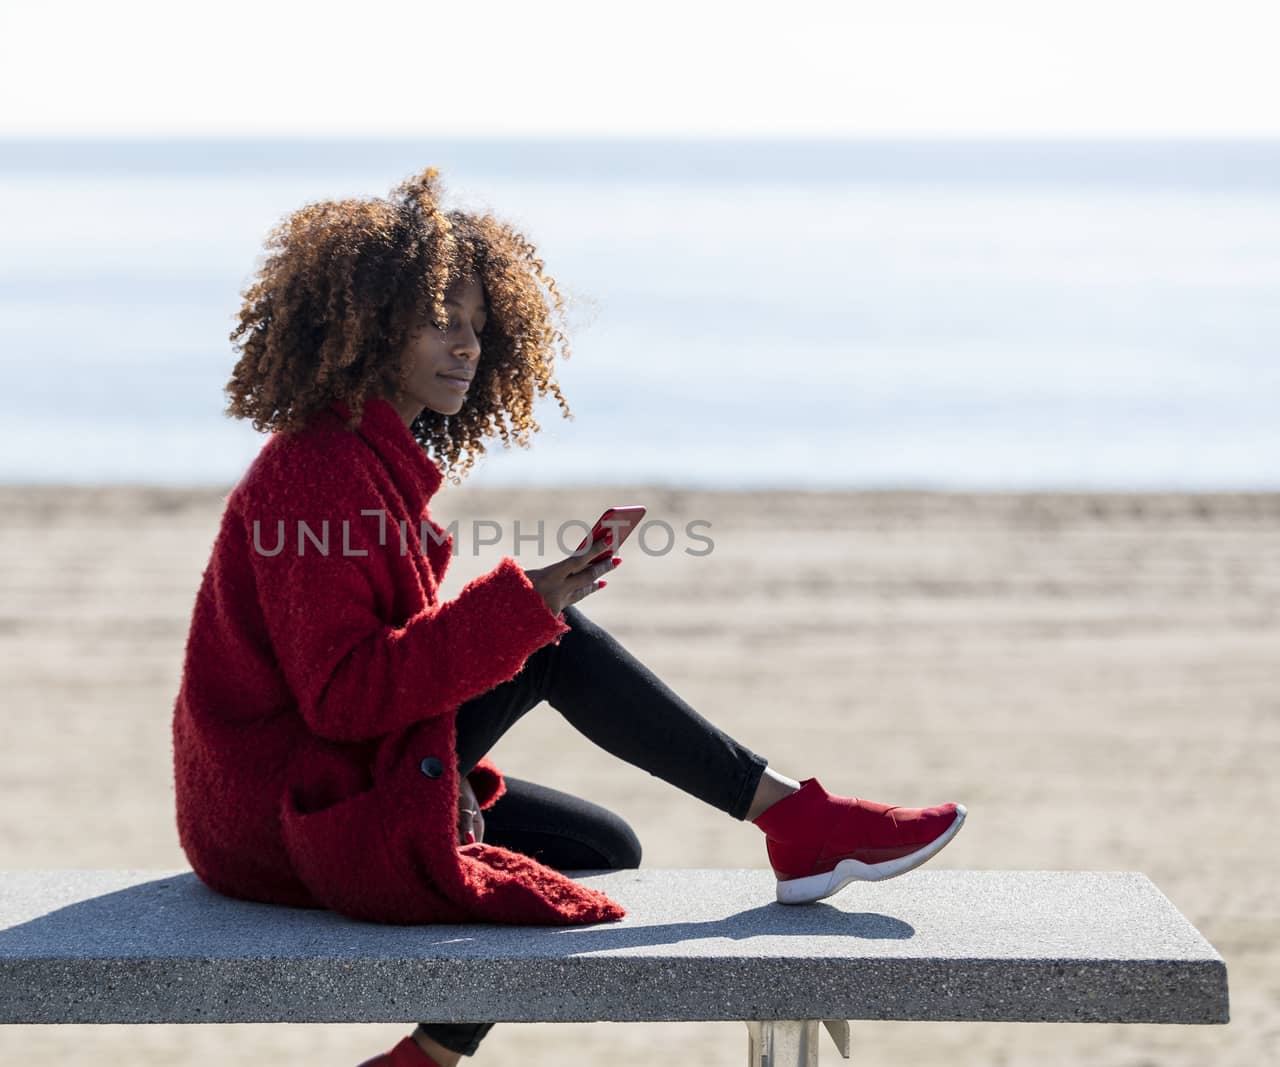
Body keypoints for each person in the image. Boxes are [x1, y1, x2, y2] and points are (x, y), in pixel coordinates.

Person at [170, 167, 967, 1067]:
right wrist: (528, 607)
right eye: (442, 322)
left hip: (313, 778)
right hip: (276, 812)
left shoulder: (368, 460)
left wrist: (451, 751)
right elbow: (345, 696)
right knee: (550, 643)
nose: (467, 347)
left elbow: (377, 688)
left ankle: (424, 1051)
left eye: (478, 326)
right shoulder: (316, 470)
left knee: (602, 846)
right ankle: (798, 819)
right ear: (369, 327)